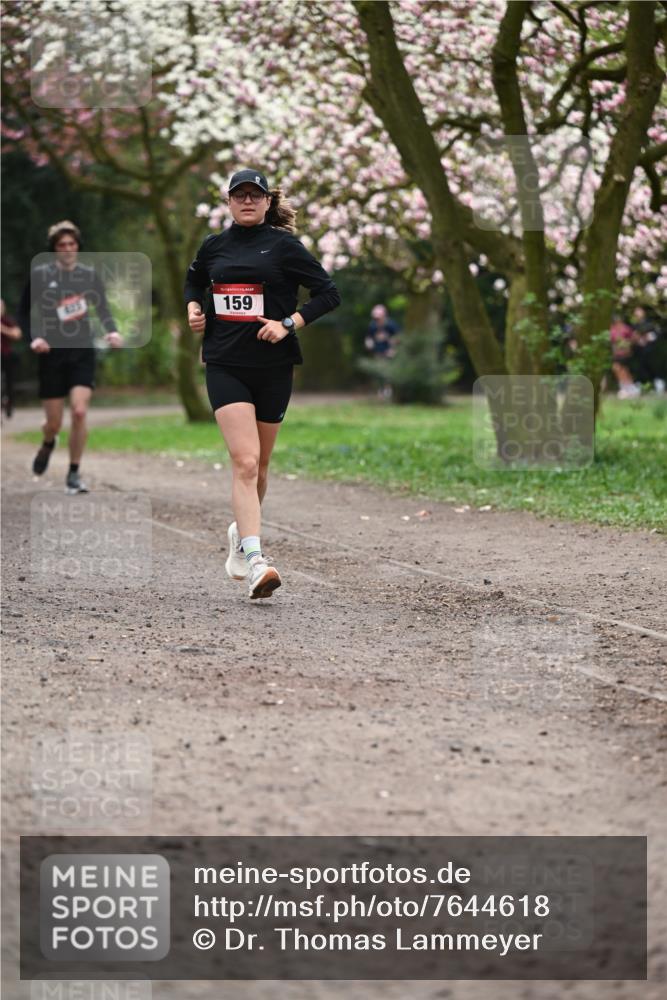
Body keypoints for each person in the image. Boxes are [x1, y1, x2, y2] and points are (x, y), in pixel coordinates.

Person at [184, 169, 340, 600]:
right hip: (225, 364)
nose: (247, 201)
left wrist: (288, 323)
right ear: (229, 202)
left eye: (255, 195)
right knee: (246, 462)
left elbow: (328, 293)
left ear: (268, 202)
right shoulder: (214, 245)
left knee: (262, 466)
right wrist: (194, 307)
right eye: (240, 195)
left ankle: (241, 533)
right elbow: (194, 280)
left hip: (273, 367)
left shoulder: (285, 246)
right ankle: (256, 561)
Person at [17, 221, 123, 493]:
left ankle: (74, 473)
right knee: (53, 423)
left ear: (78, 247)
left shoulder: (88, 276)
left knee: (79, 411)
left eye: (71, 244)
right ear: (54, 249)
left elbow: (102, 308)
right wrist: (34, 338)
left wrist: (112, 331)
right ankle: (48, 441)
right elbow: (23, 313)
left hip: (81, 351)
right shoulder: (41, 275)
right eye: (61, 245)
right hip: (51, 354)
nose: (67, 249)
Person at [1, 298, 22, 418]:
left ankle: (9, 402)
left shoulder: (8, 321)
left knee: (10, 381)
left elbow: (17, 334)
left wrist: (2, 329)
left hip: (6, 355)